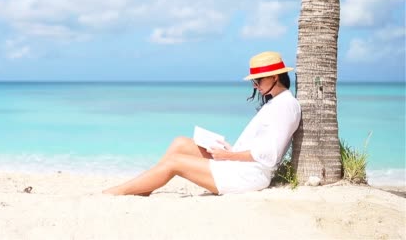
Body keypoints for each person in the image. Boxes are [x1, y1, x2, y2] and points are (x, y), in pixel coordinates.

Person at [103, 51, 301, 195]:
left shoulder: (285, 106)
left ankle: (119, 191)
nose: (255, 86)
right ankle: (146, 186)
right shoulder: (276, 103)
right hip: (239, 165)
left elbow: (269, 155)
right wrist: (230, 150)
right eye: (253, 82)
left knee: (175, 163)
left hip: (248, 176)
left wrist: (228, 155)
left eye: (258, 81)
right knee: (180, 142)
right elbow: (260, 145)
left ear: (275, 77)